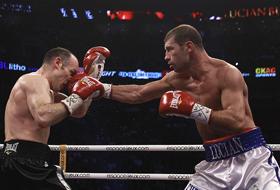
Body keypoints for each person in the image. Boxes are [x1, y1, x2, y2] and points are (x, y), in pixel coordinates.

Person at [99, 24, 280, 189]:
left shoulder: (227, 73)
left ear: (188, 47)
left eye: (170, 50)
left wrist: (193, 109)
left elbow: (237, 120)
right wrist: (102, 89)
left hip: (252, 159)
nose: (166, 57)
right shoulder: (176, 78)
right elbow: (138, 93)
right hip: (214, 163)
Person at [0, 46, 110, 190]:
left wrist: (92, 79)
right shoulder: (35, 80)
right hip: (25, 161)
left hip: (21, 159)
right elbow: (43, 116)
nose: (71, 79)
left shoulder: (49, 92)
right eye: (71, 72)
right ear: (58, 63)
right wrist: (77, 96)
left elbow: (78, 111)